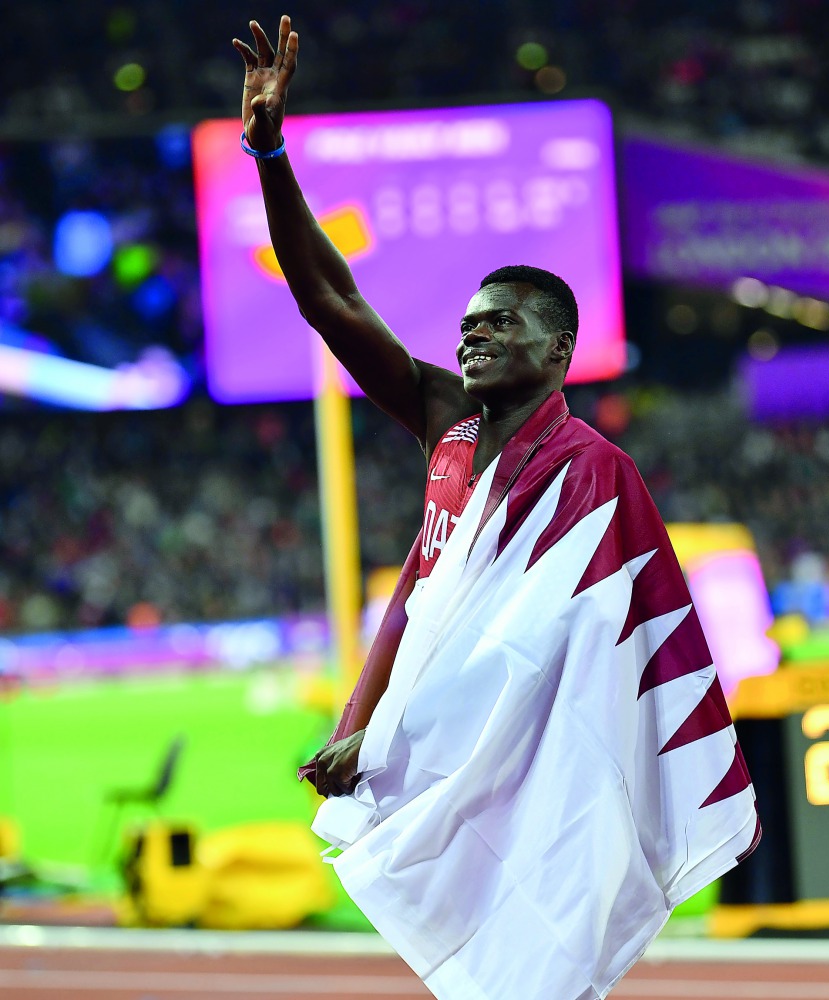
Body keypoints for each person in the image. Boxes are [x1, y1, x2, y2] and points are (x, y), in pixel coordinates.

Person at [235, 17, 760, 1000]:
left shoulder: (595, 475)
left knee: (536, 959)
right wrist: (267, 153)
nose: (473, 337)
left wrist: (387, 734)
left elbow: (549, 650)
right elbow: (327, 299)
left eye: (500, 324)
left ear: (558, 351)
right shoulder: (447, 425)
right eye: (467, 324)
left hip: (540, 752)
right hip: (441, 740)